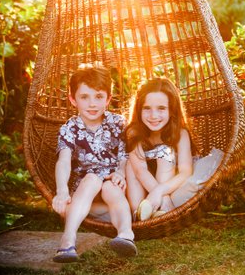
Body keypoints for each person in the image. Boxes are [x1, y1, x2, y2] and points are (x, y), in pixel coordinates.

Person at [52, 66, 137, 262]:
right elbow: (63, 161)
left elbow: (125, 155)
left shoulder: (117, 123)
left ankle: (125, 234)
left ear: (108, 98)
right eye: (84, 97)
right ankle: (68, 240)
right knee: (91, 179)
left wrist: (120, 173)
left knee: (111, 188)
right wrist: (62, 191)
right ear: (73, 99)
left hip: (111, 179)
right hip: (84, 186)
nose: (92, 104)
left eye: (98, 97)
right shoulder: (69, 128)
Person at [125, 77, 196, 219]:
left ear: (172, 110)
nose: (153, 116)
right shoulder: (134, 131)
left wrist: (160, 192)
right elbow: (140, 171)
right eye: (147, 108)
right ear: (139, 110)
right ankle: (138, 212)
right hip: (141, 182)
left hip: (167, 182)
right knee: (130, 164)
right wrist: (163, 198)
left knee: (165, 153)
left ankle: (158, 211)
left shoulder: (180, 133)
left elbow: (185, 171)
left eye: (161, 108)